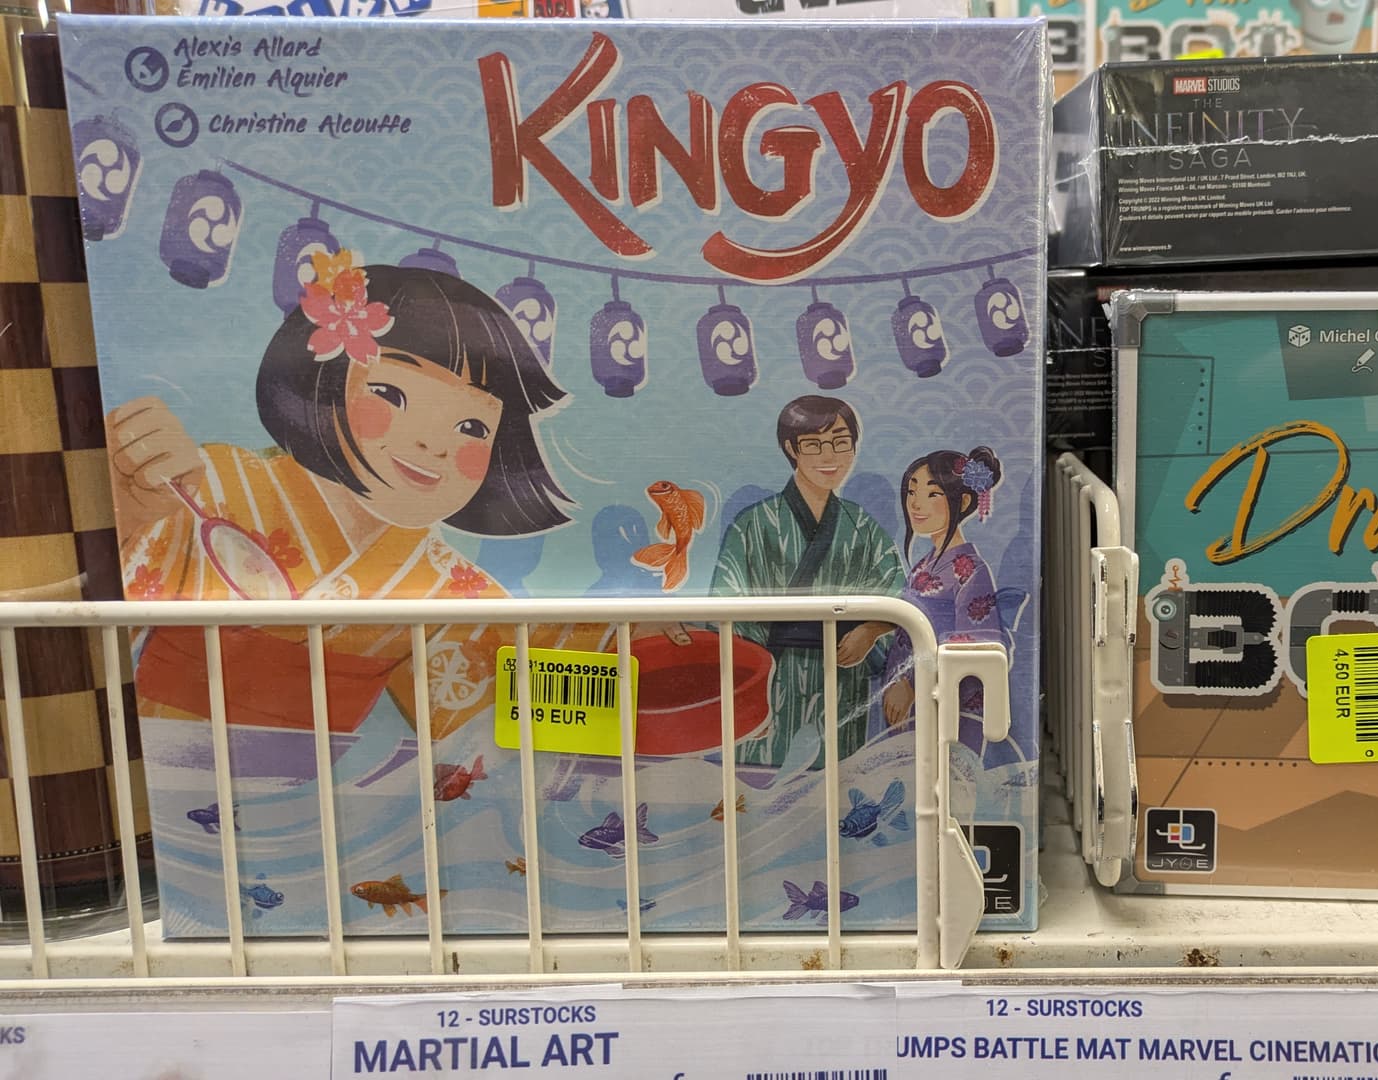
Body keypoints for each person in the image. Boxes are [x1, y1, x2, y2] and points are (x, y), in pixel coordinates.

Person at [108, 255, 677, 740]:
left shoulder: (446, 585)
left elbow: (527, 708)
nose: (433, 443)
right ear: (321, 382)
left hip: (323, 807)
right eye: (390, 393)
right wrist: (128, 505)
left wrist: (631, 654)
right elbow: (112, 598)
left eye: (473, 428)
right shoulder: (210, 485)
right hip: (158, 768)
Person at [710, 396, 905, 767]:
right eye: (813, 445)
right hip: (771, 680)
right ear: (791, 449)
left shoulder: (861, 527)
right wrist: (745, 693)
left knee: (836, 783)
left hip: (842, 676)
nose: (829, 456)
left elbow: (899, 594)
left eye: (840, 442)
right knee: (760, 784)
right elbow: (725, 609)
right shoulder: (753, 525)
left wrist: (871, 630)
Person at [876, 446, 1012, 755]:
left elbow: (974, 650)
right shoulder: (924, 565)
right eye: (912, 492)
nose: (916, 503)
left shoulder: (971, 571)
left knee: (942, 776)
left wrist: (912, 683)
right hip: (911, 703)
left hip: (947, 709)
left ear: (962, 502)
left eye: (932, 494)